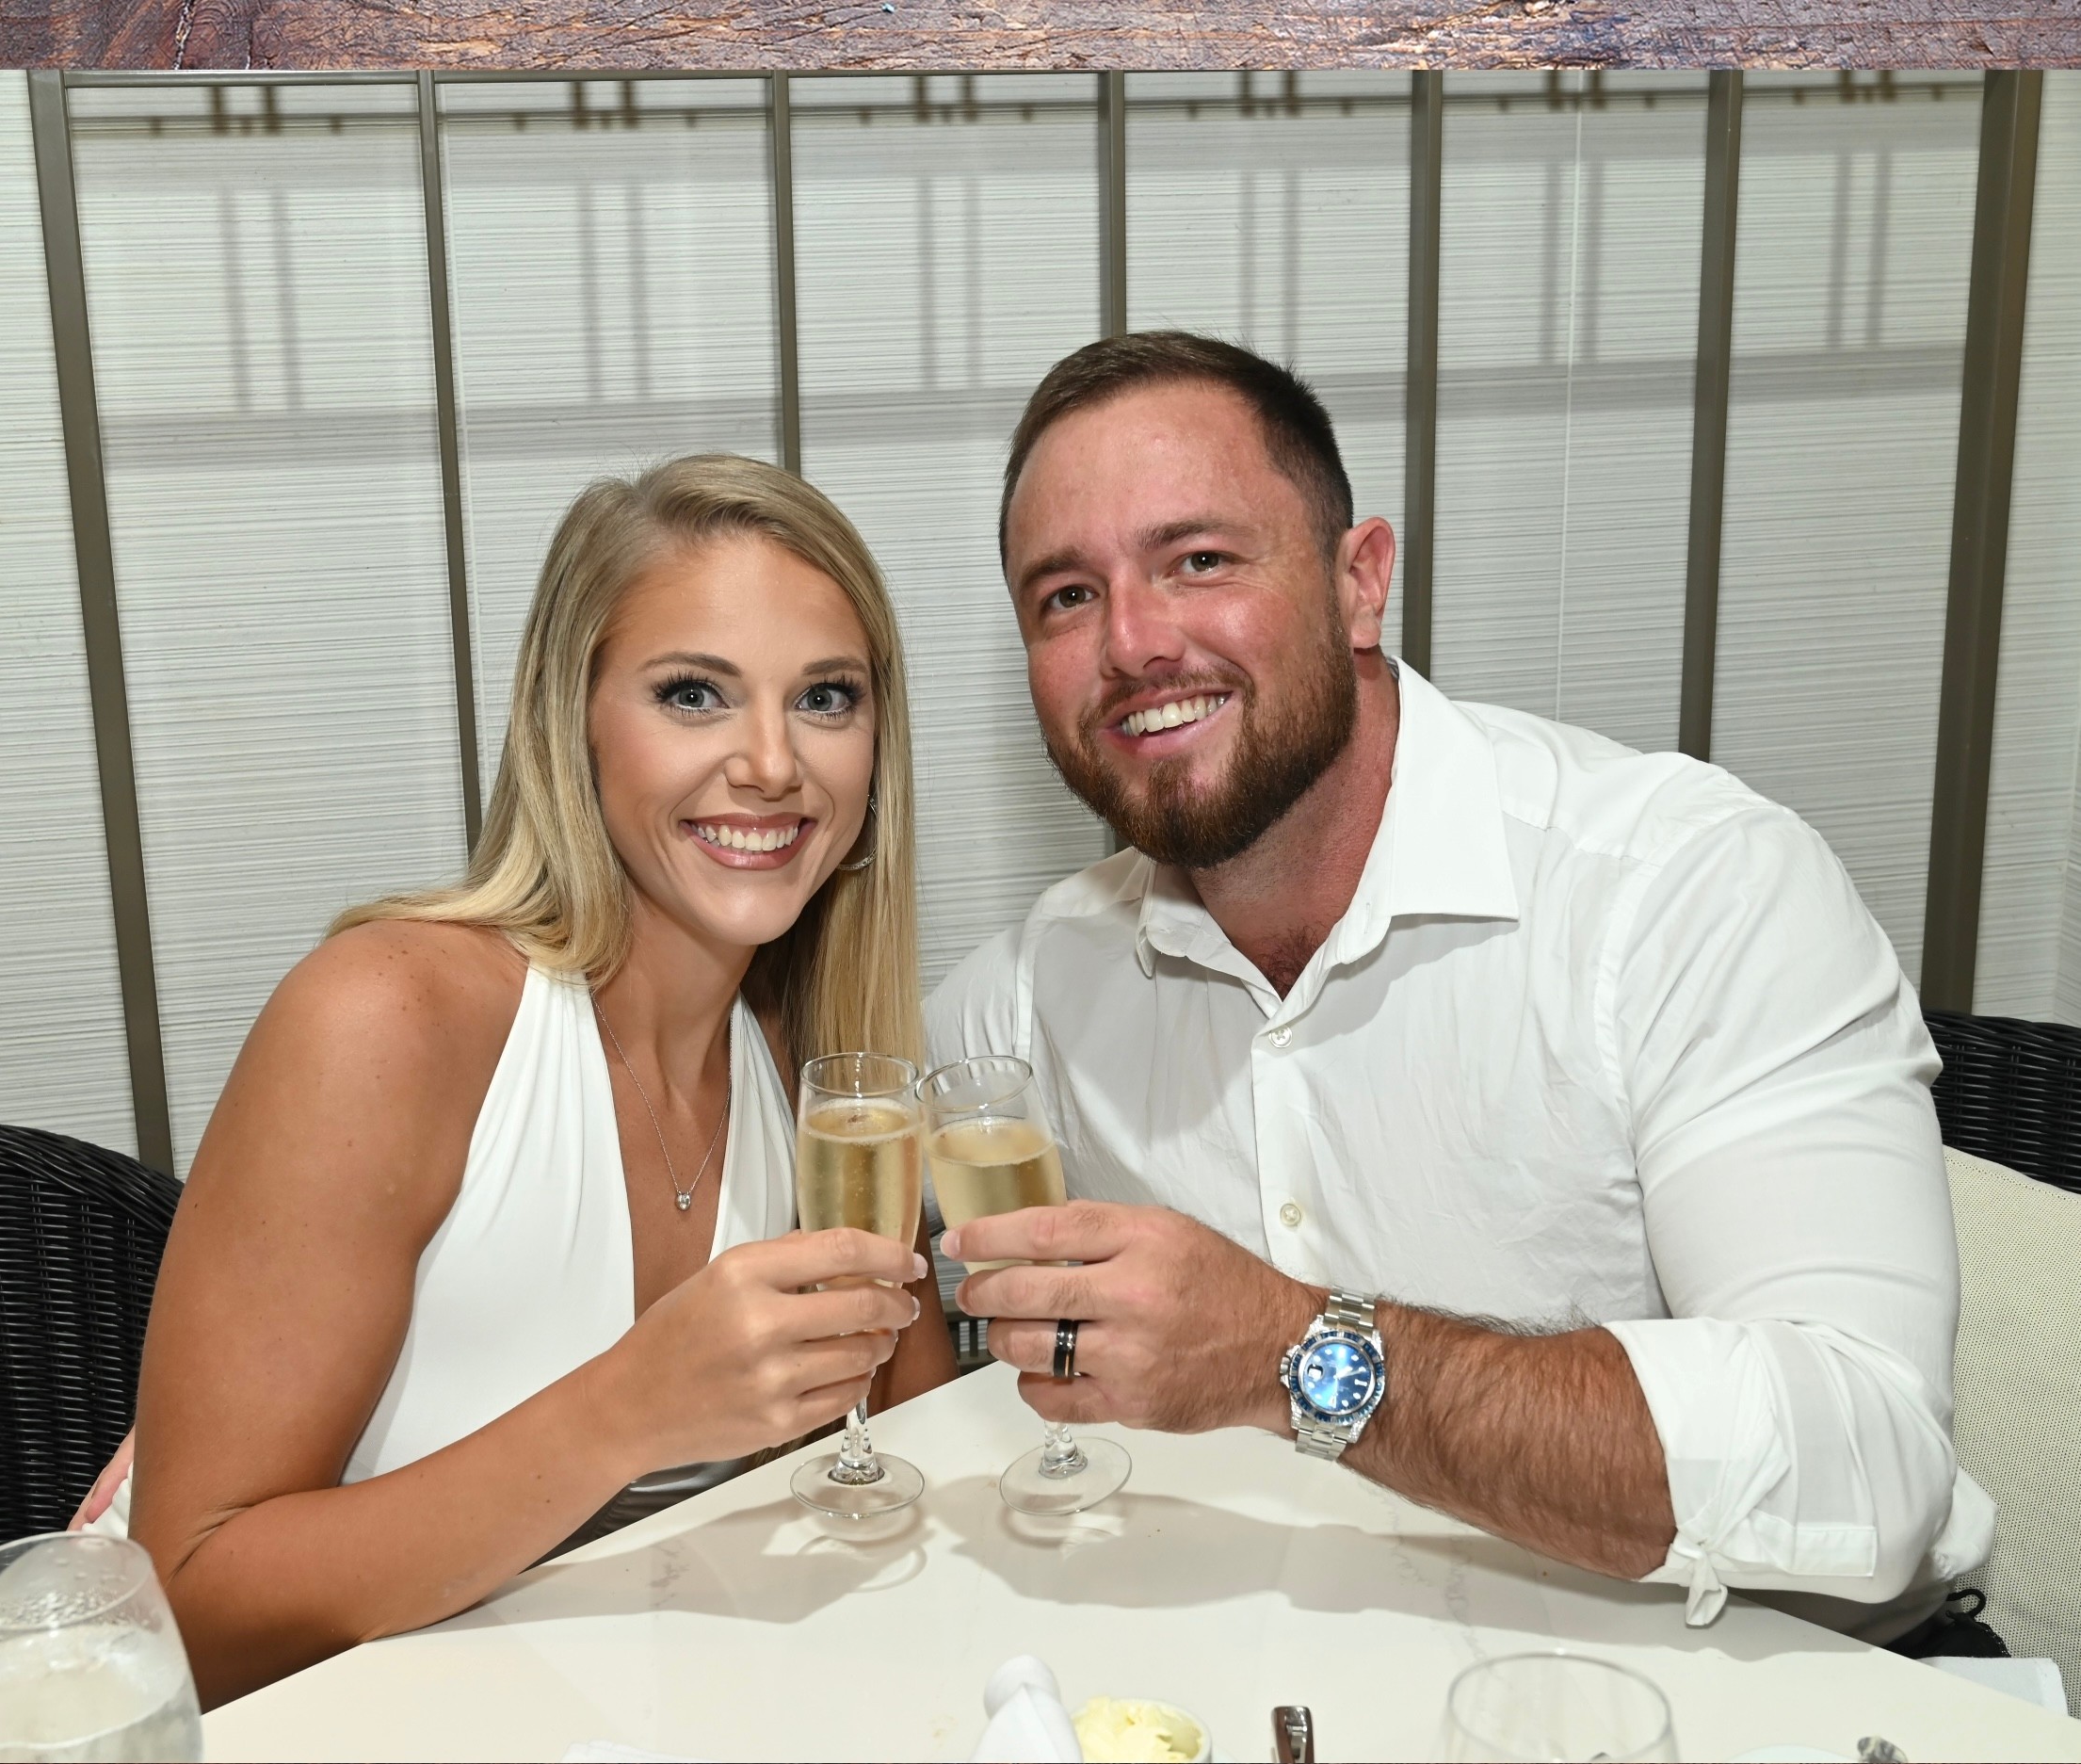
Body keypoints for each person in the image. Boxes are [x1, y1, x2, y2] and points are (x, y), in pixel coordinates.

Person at [928, 332, 1992, 1645]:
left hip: (1770, 1691)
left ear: (1359, 582)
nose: (1133, 641)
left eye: (1198, 560)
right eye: (1066, 597)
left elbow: (1870, 1462)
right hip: (1299, 1679)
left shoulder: (1686, 893)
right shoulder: (1047, 981)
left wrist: (1290, 1351)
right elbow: (822, 1148)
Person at [109, 457, 955, 1705]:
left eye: (826, 697)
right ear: (574, 722)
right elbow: (185, 1610)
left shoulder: (809, 1053)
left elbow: (916, 1456)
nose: (774, 763)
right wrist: (629, 1410)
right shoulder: (386, 1019)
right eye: (694, 695)